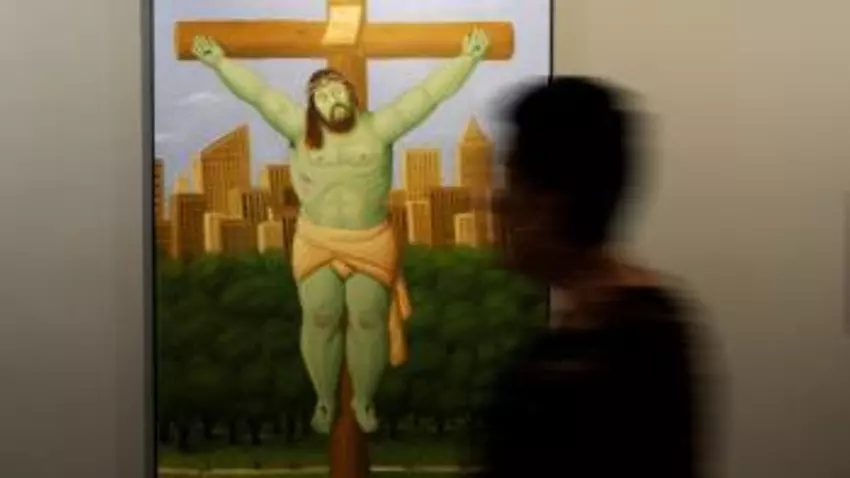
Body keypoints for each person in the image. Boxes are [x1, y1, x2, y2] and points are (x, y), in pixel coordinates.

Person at [190, 29, 491, 434]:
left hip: (370, 240)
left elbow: (427, 95)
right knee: (320, 314)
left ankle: (363, 399)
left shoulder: (379, 127)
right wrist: (219, 62)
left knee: (368, 315)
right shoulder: (299, 128)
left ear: (352, 94)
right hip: (317, 238)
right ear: (312, 106)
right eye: (322, 96)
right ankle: (324, 399)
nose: (331, 98)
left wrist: (468, 58)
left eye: (337, 91)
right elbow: (260, 94)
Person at [474, 77, 703, 477]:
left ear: (548, 205)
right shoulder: (627, 328)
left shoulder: (623, 350)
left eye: (510, 182)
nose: (496, 203)